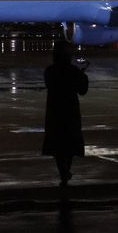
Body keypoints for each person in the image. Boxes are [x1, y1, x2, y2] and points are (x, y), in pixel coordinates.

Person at [42, 39, 89, 186]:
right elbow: (82, 90)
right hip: (70, 112)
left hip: (54, 111)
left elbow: (49, 84)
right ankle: (66, 170)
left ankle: (62, 171)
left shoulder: (49, 71)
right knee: (69, 145)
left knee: (57, 145)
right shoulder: (73, 71)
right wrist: (83, 74)